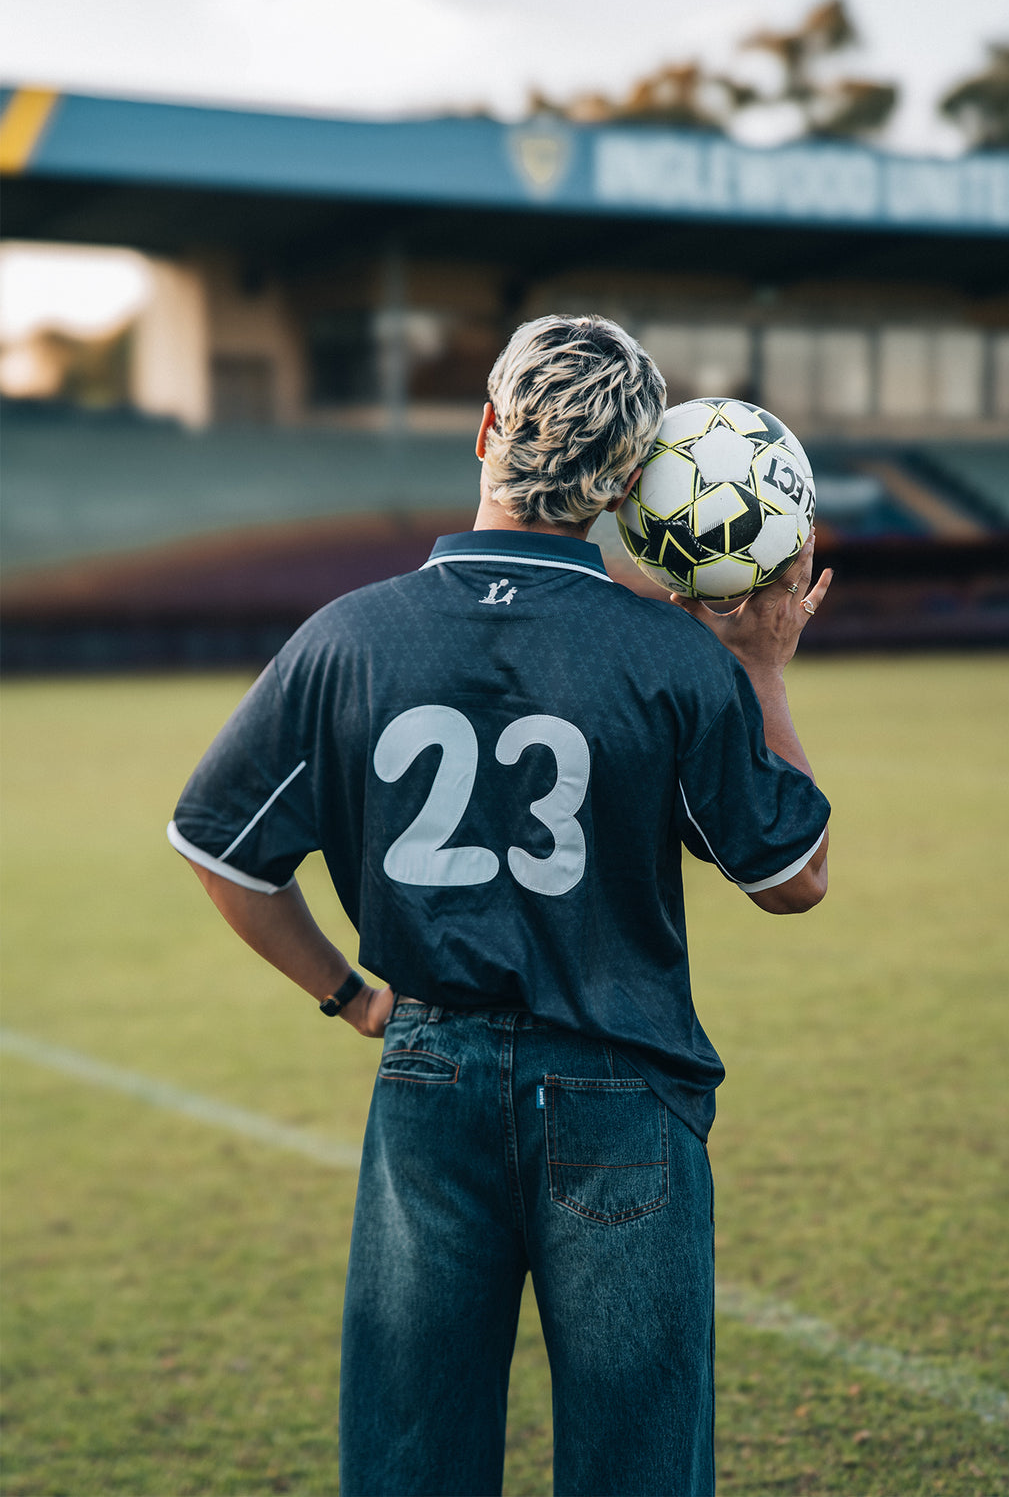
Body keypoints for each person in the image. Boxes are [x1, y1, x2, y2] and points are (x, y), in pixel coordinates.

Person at [168, 314, 831, 1497]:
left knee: (413, 1458)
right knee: (637, 1464)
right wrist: (764, 665)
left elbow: (222, 851)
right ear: (628, 485)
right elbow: (793, 877)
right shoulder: (670, 656)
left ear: (485, 427)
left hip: (427, 1081)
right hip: (623, 1088)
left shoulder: (346, 638)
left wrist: (350, 994)